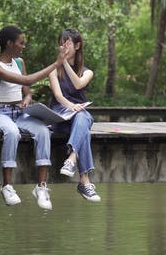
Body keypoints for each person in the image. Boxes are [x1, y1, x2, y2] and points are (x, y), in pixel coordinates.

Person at [0, 25, 68, 210]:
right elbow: (28, 80)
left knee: (42, 131)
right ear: (9, 43)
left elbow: (27, 90)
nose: (23, 46)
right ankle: (7, 186)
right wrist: (56, 63)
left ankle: (41, 187)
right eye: (21, 43)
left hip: (19, 113)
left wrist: (27, 99)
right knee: (12, 132)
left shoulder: (20, 63)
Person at [48, 28, 101, 202]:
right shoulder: (53, 70)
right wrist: (72, 106)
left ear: (77, 45)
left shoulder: (87, 72)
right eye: (61, 42)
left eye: (68, 42)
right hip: (59, 116)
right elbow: (58, 96)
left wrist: (65, 63)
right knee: (84, 120)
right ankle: (84, 181)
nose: (64, 46)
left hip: (77, 117)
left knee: (82, 119)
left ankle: (71, 159)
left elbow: (78, 85)